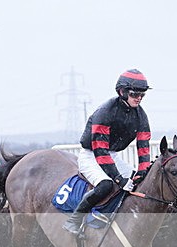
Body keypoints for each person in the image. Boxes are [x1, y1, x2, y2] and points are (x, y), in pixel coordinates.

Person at [62, 68, 152, 234]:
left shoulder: (141, 116)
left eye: (142, 95)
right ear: (122, 92)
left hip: (111, 155)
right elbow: (100, 152)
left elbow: (143, 148)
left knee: (139, 181)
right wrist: (119, 179)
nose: (139, 98)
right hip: (91, 154)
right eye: (134, 94)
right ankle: (74, 220)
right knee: (106, 185)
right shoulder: (105, 113)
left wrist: (142, 171)